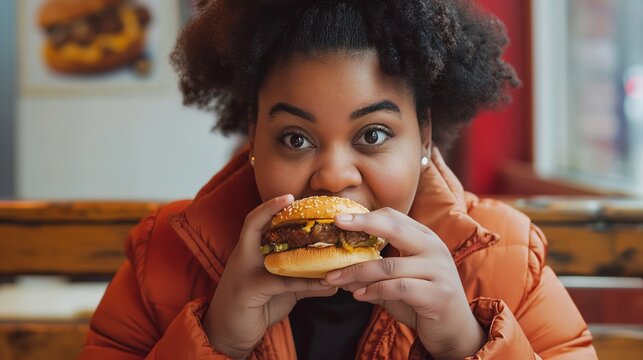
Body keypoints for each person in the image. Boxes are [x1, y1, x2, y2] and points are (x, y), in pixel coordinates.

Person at [79, 0, 597, 359]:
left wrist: (465, 342)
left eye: (372, 134)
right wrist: (217, 338)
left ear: (424, 135)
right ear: (253, 137)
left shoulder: (507, 256)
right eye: (295, 138)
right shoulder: (162, 256)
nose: (332, 176)